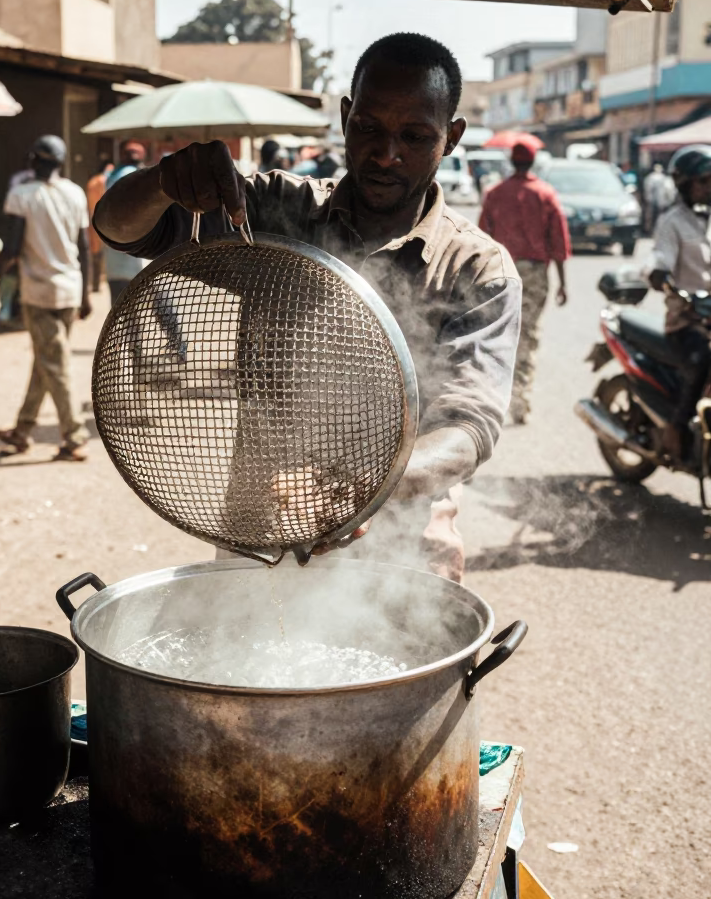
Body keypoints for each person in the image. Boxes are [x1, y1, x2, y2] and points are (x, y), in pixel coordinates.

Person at [94, 32, 521, 581]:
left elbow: (469, 427)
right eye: (369, 128)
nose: (387, 154)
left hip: (402, 553)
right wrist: (164, 180)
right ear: (345, 116)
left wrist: (372, 483)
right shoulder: (277, 211)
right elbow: (120, 227)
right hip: (258, 530)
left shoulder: (476, 268)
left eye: (414, 136)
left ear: (452, 137)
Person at [0, 135, 92, 461]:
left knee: (55, 363)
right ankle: (22, 430)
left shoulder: (21, 195)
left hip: (38, 291)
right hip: (69, 289)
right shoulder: (75, 193)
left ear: (34, 160)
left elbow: (12, 245)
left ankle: (74, 436)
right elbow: (84, 248)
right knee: (46, 362)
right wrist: (87, 292)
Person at [478, 141, 570, 425]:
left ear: (511, 162)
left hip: (500, 271)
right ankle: (520, 402)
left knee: (498, 334)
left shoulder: (495, 194)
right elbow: (559, 242)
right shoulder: (545, 194)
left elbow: (480, 239)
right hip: (534, 272)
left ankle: (496, 399)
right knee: (527, 335)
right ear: (533, 163)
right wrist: (563, 283)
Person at [647, 145, 711, 462]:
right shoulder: (672, 223)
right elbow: (661, 261)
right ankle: (676, 427)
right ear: (685, 183)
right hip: (688, 319)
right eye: (704, 181)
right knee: (703, 358)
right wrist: (662, 277)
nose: (709, 187)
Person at [104, 141, 149, 305]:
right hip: (139, 259)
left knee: (123, 316)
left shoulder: (113, 176)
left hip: (117, 262)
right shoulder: (137, 176)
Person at [86, 157, 114, 292]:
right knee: (100, 253)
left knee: (97, 253)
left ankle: (96, 283)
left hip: (94, 221)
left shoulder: (93, 181)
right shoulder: (102, 181)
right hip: (101, 221)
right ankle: (98, 282)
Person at [643, 162, 675, 234]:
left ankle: (655, 230)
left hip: (658, 201)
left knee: (656, 217)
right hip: (657, 201)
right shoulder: (653, 178)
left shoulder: (657, 178)